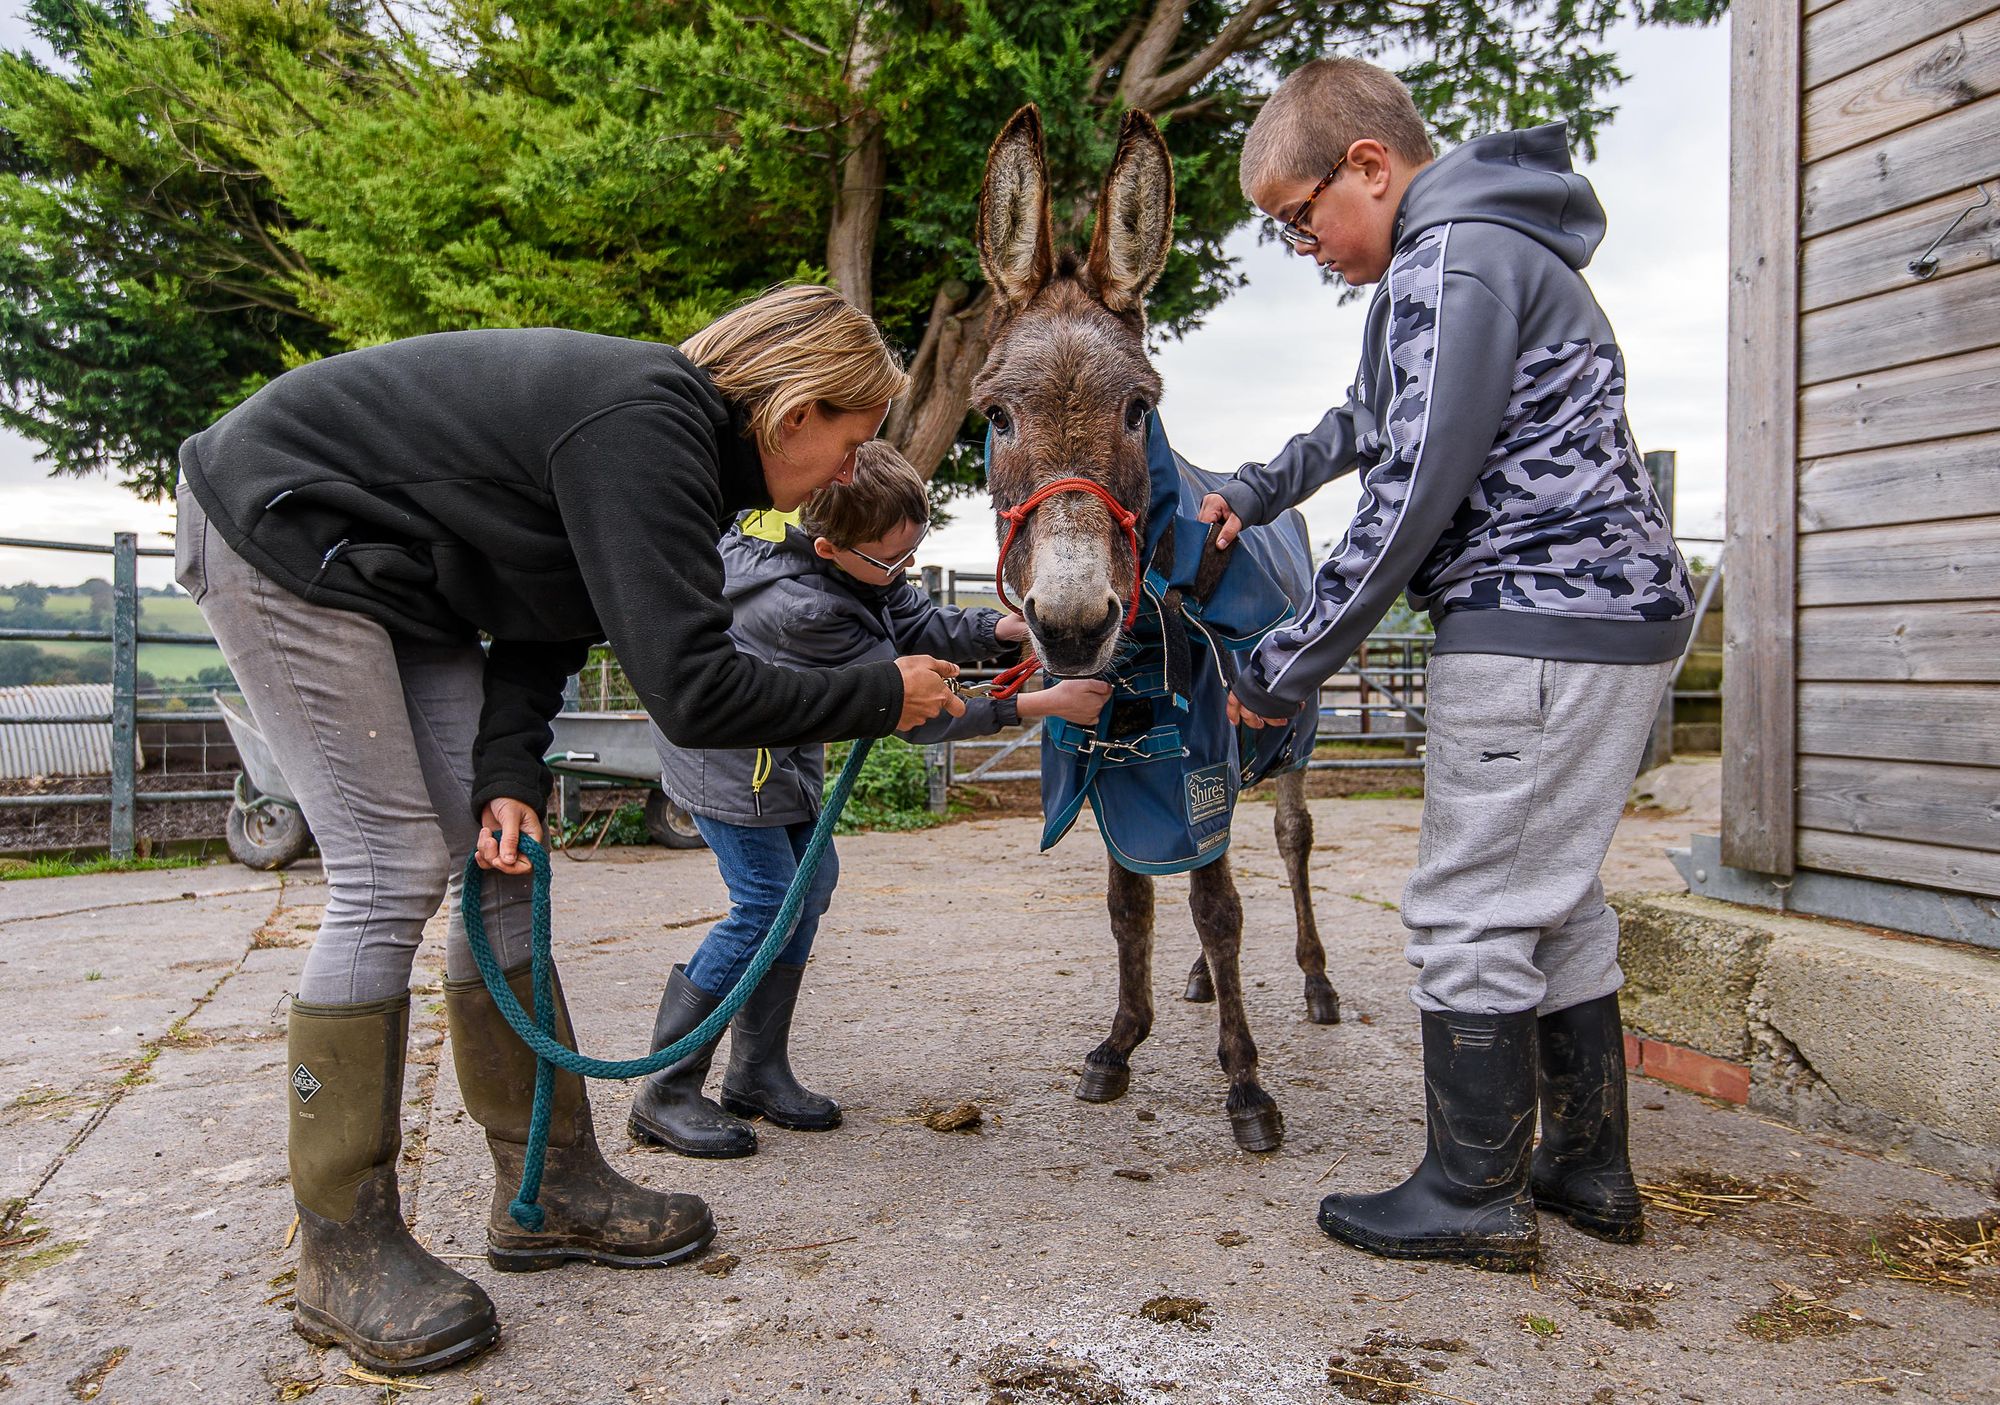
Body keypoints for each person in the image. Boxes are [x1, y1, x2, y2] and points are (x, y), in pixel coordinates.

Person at [174, 286, 966, 1373]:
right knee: (390, 867)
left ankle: (544, 1186)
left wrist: (507, 771)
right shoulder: (646, 426)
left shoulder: (676, 463)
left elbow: (550, 613)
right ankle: (341, 1246)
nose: (849, 467)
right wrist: (881, 692)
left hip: (409, 579)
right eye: (852, 436)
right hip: (285, 533)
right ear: (792, 412)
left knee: (501, 860)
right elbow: (692, 691)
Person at [1200, 58, 1694, 1268]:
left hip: (1531, 618)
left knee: (1468, 904)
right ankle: (1583, 1162)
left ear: (1367, 167)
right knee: (1553, 897)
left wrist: (1281, 658)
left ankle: (1468, 1195)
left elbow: (1410, 487)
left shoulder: (1449, 260)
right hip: (1603, 617)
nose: (1301, 246)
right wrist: (1251, 490)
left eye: (1299, 216)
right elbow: (1370, 419)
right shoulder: (1475, 254)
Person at [630, 443, 1111, 1156]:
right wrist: (1045, 702)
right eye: (893, 559)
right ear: (830, 546)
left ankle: (757, 1071)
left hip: (778, 747)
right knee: (765, 901)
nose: (906, 568)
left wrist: (1002, 628)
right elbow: (920, 714)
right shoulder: (806, 610)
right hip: (734, 765)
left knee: (810, 882)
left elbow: (908, 615)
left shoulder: (848, 563)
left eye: (912, 550)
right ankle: (665, 1088)